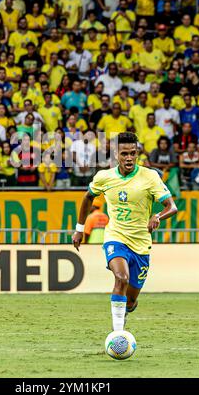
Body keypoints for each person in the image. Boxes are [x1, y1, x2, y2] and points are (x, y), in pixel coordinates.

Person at [72, 131, 178, 332]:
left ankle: (127, 308)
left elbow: (171, 207)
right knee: (121, 277)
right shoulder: (104, 177)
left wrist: (157, 216)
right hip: (115, 237)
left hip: (141, 244)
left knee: (130, 300)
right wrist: (79, 229)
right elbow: (87, 198)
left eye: (133, 153)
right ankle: (118, 334)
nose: (129, 158)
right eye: (124, 154)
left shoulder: (150, 177)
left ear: (137, 153)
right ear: (116, 155)